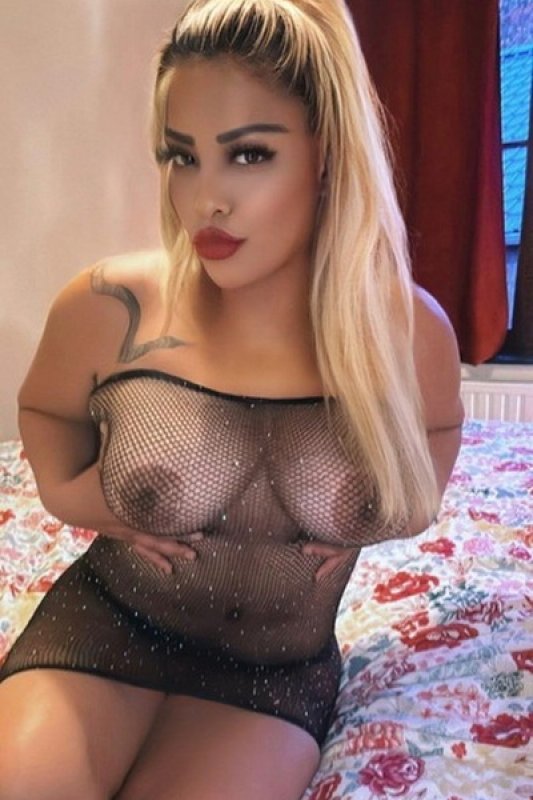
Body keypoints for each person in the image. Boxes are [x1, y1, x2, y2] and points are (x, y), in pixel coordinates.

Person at [0, 1, 464, 798]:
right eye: (181, 156)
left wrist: (400, 511)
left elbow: (438, 428)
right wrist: (74, 495)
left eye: (248, 155)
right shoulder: (110, 305)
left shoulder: (404, 330)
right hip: (104, 625)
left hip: (270, 671)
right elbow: (44, 410)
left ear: (326, 154)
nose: (203, 198)